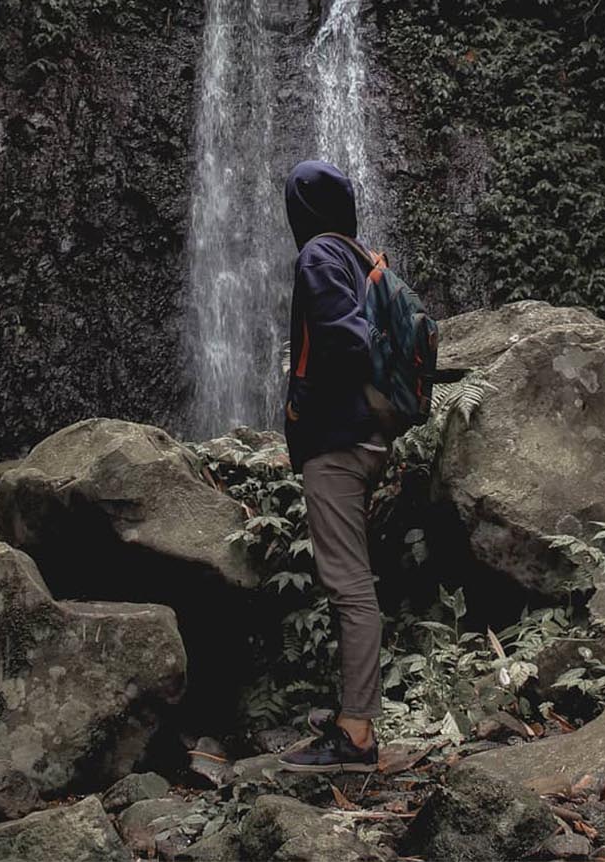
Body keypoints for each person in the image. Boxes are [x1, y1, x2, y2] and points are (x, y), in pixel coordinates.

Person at [278, 158, 385, 775]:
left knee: (347, 583)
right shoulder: (357, 253)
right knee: (351, 580)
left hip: (337, 441)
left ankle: (356, 735)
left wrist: (306, 403)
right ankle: (352, 710)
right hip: (366, 436)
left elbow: (347, 343)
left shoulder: (319, 254)